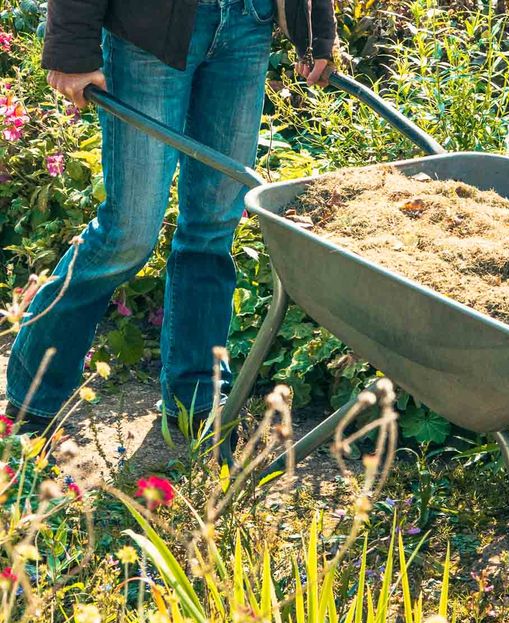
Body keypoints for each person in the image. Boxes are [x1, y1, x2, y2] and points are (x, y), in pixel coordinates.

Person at [4, 0, 337, 433]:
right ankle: (33, 396)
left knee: (213, 228)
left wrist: (316, 32)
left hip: (246, 24)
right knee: (127, 233)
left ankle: (195, 401)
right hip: (150, 30)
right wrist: (71, 48)